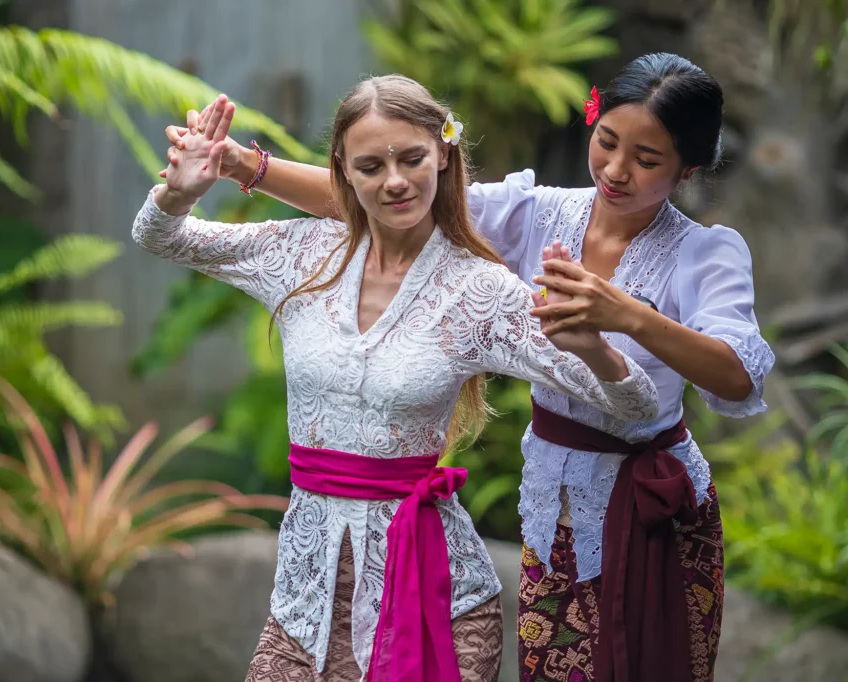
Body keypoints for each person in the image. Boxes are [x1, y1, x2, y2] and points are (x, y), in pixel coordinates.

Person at [165, 53, 775, 682]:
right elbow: (386, 193)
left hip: (653, 501)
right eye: (607, 141)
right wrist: (243, 165)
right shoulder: (536, 213)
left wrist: (628, 317)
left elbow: (738, 378)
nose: (616, 170)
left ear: (687, 169)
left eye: (646, 160)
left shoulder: (706, 253)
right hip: (556, 498)